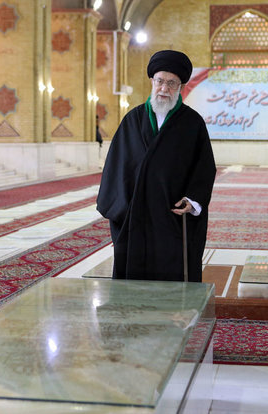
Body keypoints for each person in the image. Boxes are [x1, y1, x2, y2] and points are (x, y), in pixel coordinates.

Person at [96, 49, 216, 283]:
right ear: (152, 81)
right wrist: (123, 208)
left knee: (172, 280)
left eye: (172, 83)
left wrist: (192, 201)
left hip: (171, 217)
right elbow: (115, 167)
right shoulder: (133, 120)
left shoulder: (192, 123)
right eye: (160, 81)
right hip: (135, 219)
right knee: (133, 282)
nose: (164, 88)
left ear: (181, 87)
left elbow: (204, 169)